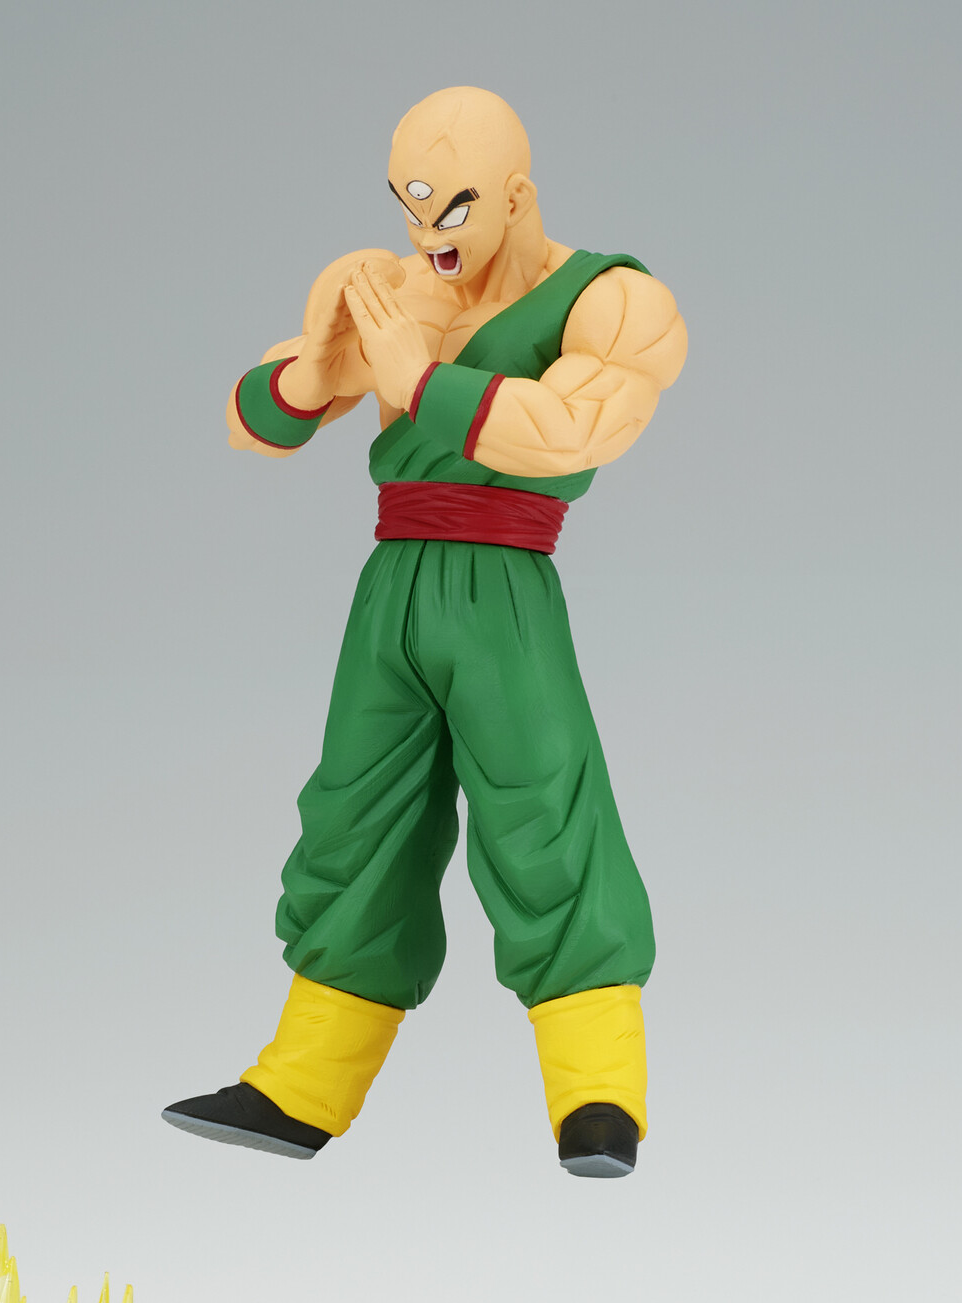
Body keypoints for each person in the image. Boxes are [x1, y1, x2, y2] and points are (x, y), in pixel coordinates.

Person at [163, 87, 687, 1176]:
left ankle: (597, 1095)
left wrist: (418, 379)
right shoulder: (393, 286)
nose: (427, 234)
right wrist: (314, 371)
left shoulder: (609, 299)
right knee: (355, 819)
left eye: (452, 208)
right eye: (408, 205)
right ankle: (301, 1085)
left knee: (545, 811)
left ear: (515, 197)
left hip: (502, 586)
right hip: (391, 586)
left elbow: (574, 432)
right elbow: (255, 423)